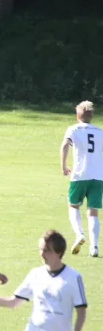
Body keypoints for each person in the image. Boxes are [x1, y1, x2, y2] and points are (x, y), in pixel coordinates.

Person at [0, 230, 87, 331]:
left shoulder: (73, 277)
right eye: (41, 250)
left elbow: (81, 310)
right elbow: (13, 302)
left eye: (47, 250)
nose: (42, 254)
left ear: (59, 252)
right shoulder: (35, 274)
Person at [60, 100, 103, 257]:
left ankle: (79, 234)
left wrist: (64, 166)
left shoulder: (73, 129)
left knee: (73, 206)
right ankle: (95, 247)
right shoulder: (99, 131)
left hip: (79, 174)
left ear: (77, 115)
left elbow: (65, 146)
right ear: (91, 116)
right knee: (93, 212)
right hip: (98, 176)